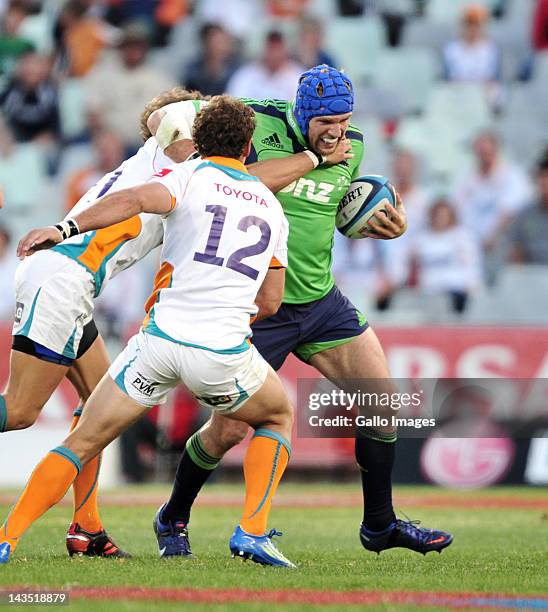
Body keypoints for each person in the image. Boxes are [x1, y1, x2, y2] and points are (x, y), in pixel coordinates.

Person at [0, 86, 351, 558]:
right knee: (21, 412)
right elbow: (268, 297)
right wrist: (314, 158)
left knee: (90, 410)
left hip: (126, 315)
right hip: (70, 277)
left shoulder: (181, 170)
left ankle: (85, 528)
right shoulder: (224, 183)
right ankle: (251, 529)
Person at [150, 65, 453, 558]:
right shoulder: (256, 121)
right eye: (327, 121)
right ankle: (173, 517)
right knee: (227, 428)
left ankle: (380, 525)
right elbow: (228, 174)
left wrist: (381, 226)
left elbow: (334, 214)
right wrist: (311, 158)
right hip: (258, 306)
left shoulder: (353, 145)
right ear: (303, 113)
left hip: (319, 300)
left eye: (345, 120)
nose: (337, 130)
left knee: (383, 405)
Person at [413, 197, 483, 313]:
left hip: (456, 292)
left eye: (444, 215)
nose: (441, 219)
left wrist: (472, 285)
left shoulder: (462, 237)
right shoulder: (420, 239)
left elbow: (472, 266)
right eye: (438, 215)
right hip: (428, 292)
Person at [226, 30, 304, 101]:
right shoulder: (246, 74)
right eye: (271, 48)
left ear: (285, 50)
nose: (274, 54)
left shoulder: (297, 76)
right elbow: (235, 102)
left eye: (278, 49)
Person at [509, 150, 548, 264]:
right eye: (542, 176)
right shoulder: (524, 215)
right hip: (532, 276)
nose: (545, 181)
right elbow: (516, 251)